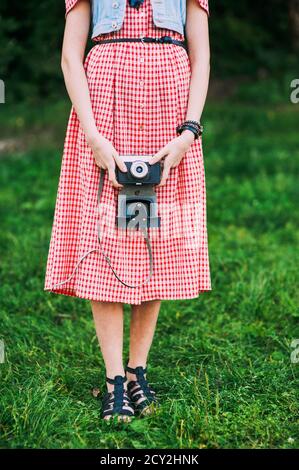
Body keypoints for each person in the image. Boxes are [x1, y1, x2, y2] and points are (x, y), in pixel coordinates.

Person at [44, 0, 211, 421]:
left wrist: (189, 131)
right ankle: (114, 379)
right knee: (106, 239)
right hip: (104, 108)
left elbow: (201, 52)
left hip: (168, 111)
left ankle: (137, 371)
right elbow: (70, 55)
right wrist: (93, 136)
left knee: (155, 236)